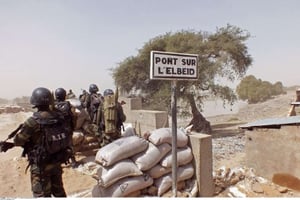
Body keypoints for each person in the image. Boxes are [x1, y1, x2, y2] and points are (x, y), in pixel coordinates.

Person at [1, 87, 71, 197]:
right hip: (57, 162)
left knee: (41, 195)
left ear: (35, 102)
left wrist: (13, 144)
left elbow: (19, 140)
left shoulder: (33, 121)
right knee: (59, 193)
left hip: (40, 166)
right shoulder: (59, 117)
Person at [54, 87, 79, 168]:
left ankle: (57, 163)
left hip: (56, 130)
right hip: (67, 129)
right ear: (64, 95)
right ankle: (73, 162)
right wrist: (72, 127)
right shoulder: (68, 105)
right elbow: (73, 116)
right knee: (69, 145)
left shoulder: (52, 106)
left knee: (56, 146)